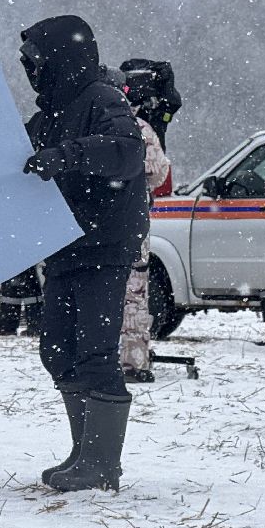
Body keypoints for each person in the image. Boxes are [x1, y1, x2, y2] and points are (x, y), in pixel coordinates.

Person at [21, 15, 147, 491]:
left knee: (95, 352)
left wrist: (67, 154)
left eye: (36, 62)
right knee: (57, 349)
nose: (31, 72)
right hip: (65, 243)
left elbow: (126, 153)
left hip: (105, 242)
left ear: (59, 59)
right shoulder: (50, 110)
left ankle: (102, 465)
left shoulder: (103, 98)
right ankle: (84, 451)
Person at [120, 95, 171, 383]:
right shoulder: (139, 127)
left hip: (94, 223)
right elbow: (158, 171)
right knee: (135, 295)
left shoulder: (90, 121)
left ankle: (96, 359)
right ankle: (133, 362)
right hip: (133, 220)